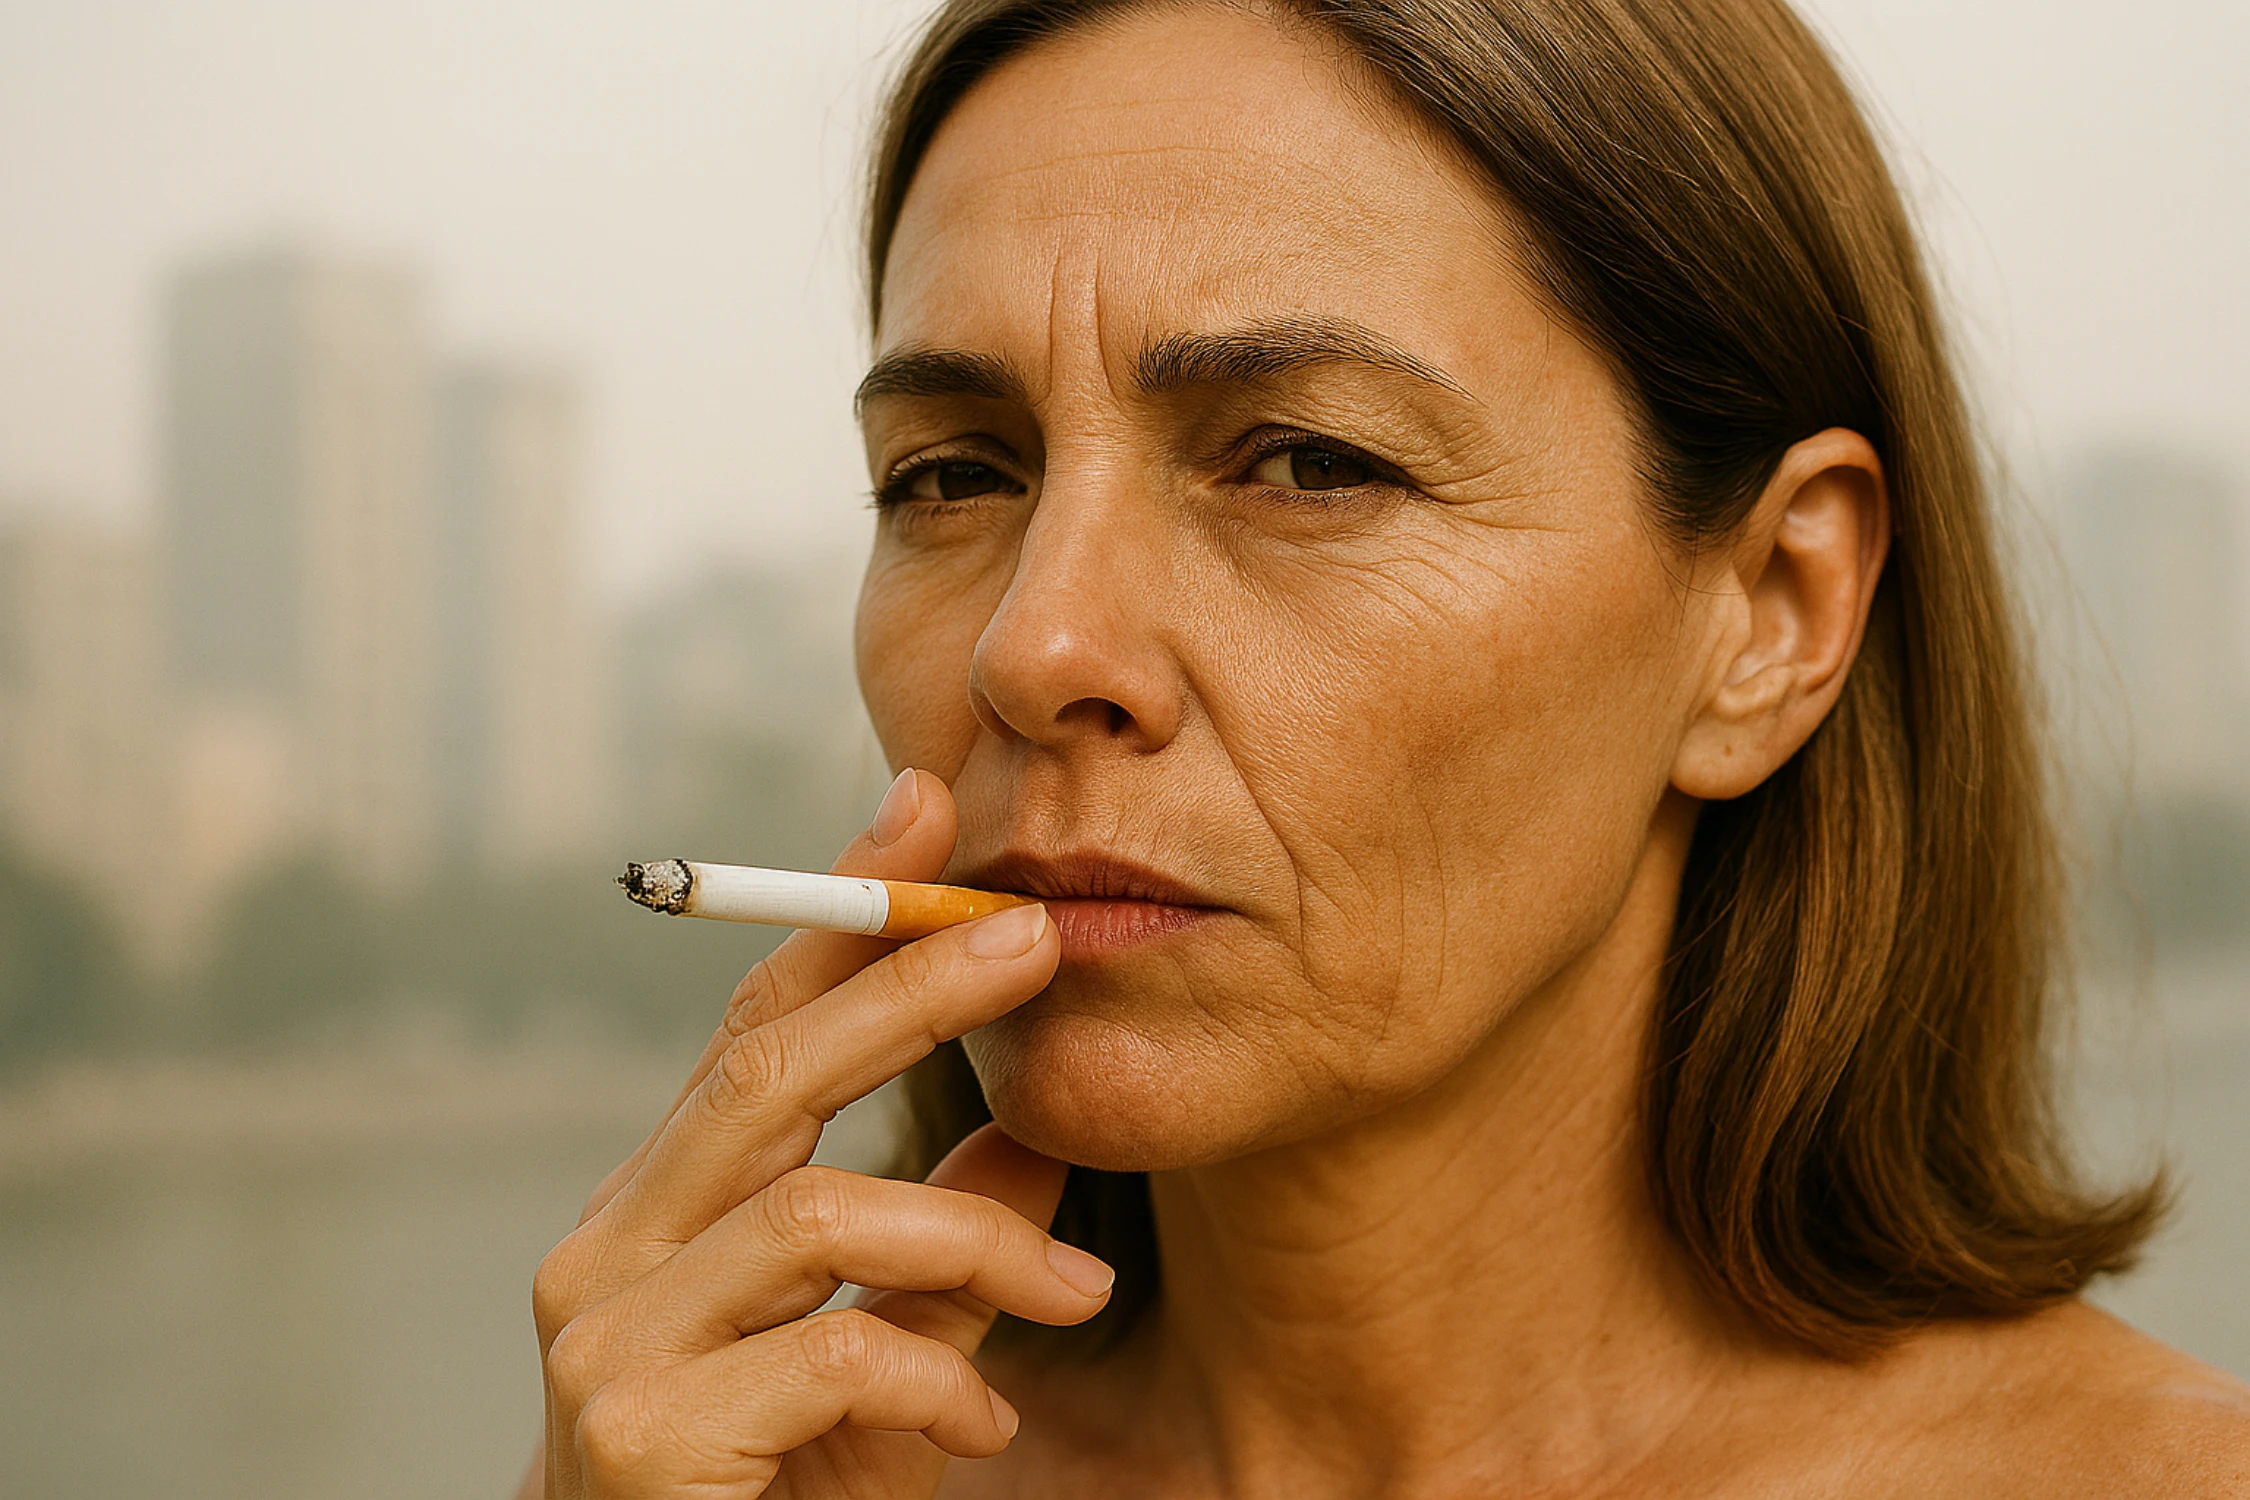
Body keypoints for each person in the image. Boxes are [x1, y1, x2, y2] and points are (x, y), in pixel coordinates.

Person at [519, 1, 2250, 1494]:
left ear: (1769, 614)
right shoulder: (742, 1481)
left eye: (1312, 462)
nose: (1034, 648)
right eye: (950, 476)